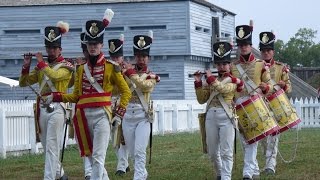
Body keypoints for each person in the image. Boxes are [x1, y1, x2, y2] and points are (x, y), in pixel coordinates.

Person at [47, 9, 131, 180]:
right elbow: (76, 96)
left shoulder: (111, 67)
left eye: (96, 44)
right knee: (92, 158)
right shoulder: (80, 69)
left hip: (102, 115)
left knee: (99, 157)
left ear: (101, 45)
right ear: (86, 45)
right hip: (83, 117)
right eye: (90, 44)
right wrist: (56, 96)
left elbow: (126, 91)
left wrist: (119, 113)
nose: (93, 47)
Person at [19, 21, 73, 180]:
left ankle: (49, 178)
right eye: (48, 47)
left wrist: (41, 62)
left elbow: (54, 76)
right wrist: (26, 66)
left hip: (58, 107)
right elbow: (24, 83)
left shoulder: (67, 65)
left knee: (51, 145)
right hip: (42, 108)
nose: (50, 50)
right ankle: (60, 174)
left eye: (54, 47)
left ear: (60, 49)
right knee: (46, 145)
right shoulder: (42, 66)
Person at [194, 41, 244, 180]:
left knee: (226, 151)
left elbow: (223, 89)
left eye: (224, 64)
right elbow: (202, 99)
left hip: (226, 116)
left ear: (229, 65)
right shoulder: (213, 80)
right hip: (210, 116)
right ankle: (219, 173)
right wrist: (198, 82)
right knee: (212, 151)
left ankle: (226, 177)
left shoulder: (234, 81)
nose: (221, 67)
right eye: (219, 64)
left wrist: (209, 78)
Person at [231, 23, 272, 180]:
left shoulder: (261, 64)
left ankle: (247, 172)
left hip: (255, 103)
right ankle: (254, 170)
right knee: (244, 140)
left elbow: (269, 84)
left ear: (251, 45)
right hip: (239, 106)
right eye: (241, 45)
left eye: (246, 44)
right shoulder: (233, 67)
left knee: (252, 140)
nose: (243, 48)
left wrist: (265, 86)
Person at [121, 31, 160, 180]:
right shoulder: (127, 72)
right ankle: (142, 173)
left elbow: (145, 86)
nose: (141, 59)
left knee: (139, 151)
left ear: (148, 58)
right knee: (132, 152)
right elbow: (119, 89)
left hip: (143, 115)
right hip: (127, 114)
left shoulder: (152, 76)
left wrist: (129, 72)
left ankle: (138, 177)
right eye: (138, 56)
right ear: (135, 57)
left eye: (144, 56)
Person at [258, 31, 292, 175]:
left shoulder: (280, 68)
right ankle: (267, 160)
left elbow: (289, 88)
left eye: (268, 50)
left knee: (273, 137)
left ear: (273, 51)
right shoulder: (255, 67)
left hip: (275, 106)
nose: (266, 53)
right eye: (263, 50)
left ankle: (270, 165)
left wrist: (283, 85)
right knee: (264, 139)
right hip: (259, 106)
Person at [108, 34, 131, 176]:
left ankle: (121, 166)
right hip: (110, 105)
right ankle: (125, 163)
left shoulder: (128, 70)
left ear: (122, 57)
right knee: (113, 137)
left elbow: (129, 88)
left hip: (124, 103)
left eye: (118, 57)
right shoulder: (107, 68)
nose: (115, 60)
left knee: (122, 137)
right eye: (113, 57)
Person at [78, 32, 92, 180]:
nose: (86, 53)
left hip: (96, 108)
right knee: (83, 141)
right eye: (84, 51)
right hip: (81, 110)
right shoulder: (80, 67)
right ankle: (88, 172)